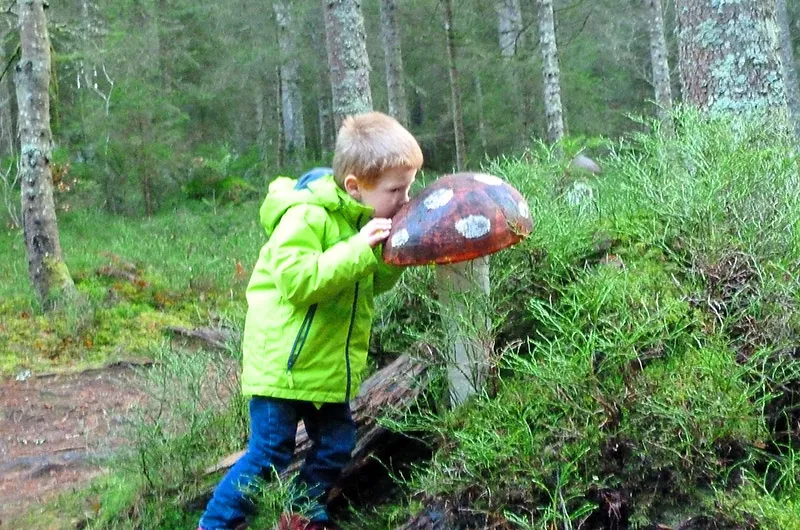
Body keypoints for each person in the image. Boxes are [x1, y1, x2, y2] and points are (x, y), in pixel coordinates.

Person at [198, 111, 423, 530]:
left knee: (337, 443)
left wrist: (392, 256)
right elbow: (298, 282)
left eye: (408, 188)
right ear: (355, 186)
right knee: (269, 453)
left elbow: (369, 286)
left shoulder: (363, 221)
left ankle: (301, 511)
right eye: (396, 190)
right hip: (283, 366)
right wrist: (358, 247)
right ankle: (216, 523)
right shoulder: (305, 216)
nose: (405, 199)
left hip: (326, 367)